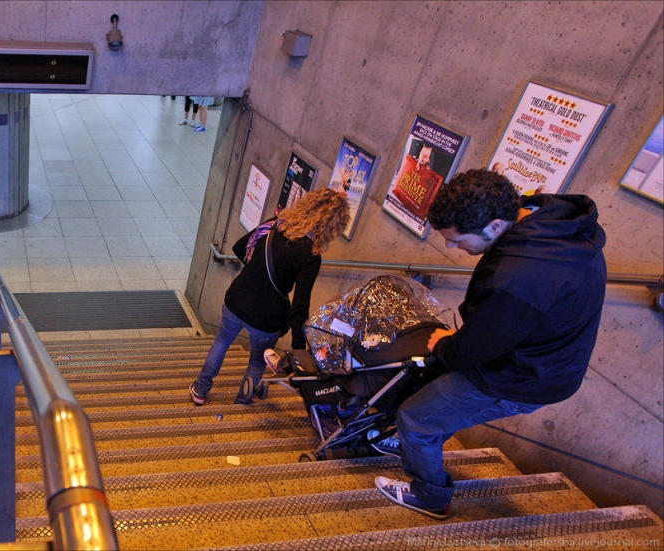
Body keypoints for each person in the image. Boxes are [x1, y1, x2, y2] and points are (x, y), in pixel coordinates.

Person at [373, 168, 607, 520]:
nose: (451, 247)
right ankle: (415, 444)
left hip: (522, 377)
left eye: (457, 240)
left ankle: (431, 497)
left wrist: (443, 345)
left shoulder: (519, 278)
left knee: (416, 418)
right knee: (436, 406)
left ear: (495, 226)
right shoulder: (553, 227)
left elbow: (470, 351)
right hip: (550, 360)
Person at [190, 188, 350, 405]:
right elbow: (300, 306)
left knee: (221, 342)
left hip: (237, 298)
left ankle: (200, 390)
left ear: (308, 205)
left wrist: (257, 271)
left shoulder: (276, 224)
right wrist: (299, 348)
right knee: (257, 361)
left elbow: (239, 247)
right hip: (267, 318)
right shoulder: (311, 255)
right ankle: (243, 400)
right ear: (333, 226)